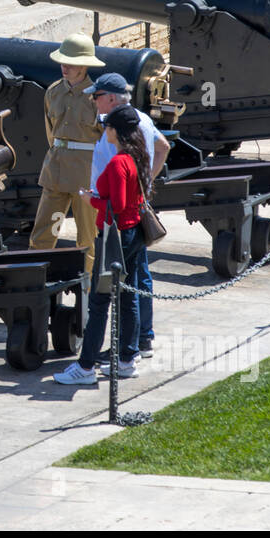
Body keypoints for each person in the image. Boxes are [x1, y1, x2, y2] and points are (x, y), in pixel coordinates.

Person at [53, 105, 148, 384]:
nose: (104, 130)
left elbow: (115, 206)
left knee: (99, 301)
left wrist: (89, 199)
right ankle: (128, 358)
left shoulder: (119, 162)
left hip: (114, 237)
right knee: (129, 298)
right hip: (132, 234)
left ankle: (85, 367)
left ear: (116, 131)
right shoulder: (136, 156)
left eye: (107, 126)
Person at [85, 72, 170, 358]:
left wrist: (95, 199)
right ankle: (141, 339)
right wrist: (143, 186)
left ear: (110, 98)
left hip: (118, 217)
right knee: (139, 277)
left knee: (123, 287)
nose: (94, 102)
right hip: (134, 208)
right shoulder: (142, 120)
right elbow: (163, 147)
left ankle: (129, 345)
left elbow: (116, 195)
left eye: (97, 97)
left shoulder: (118, 130)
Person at [28, 33, 105, 273]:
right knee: (43, 233)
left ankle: (90, 290)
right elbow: (50, 132)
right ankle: (35, 281)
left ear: (84, 65)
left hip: (86, 175)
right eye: (63, 61)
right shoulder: (52, 92)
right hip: (56, 171)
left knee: (88, 238)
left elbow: (106, 140)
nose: (65, 66)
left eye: (71, 62)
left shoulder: (97, 97)